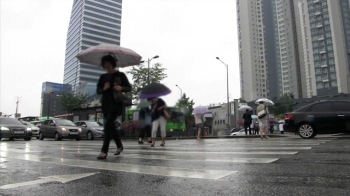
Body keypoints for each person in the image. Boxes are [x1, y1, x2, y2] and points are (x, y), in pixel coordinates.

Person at [96, 55, 132, 159]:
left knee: (107, 124)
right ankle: (119, 145)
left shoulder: (120, 75)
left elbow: (128, 88)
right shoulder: (103, 77)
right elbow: (98, 91)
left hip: (116, 104)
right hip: (105, 104)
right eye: (104, 64)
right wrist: (104, 88)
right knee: (110, 126)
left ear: (112, 63)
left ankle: (104, 150)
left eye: (107, 63)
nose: (105, 65)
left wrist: (121, 87)